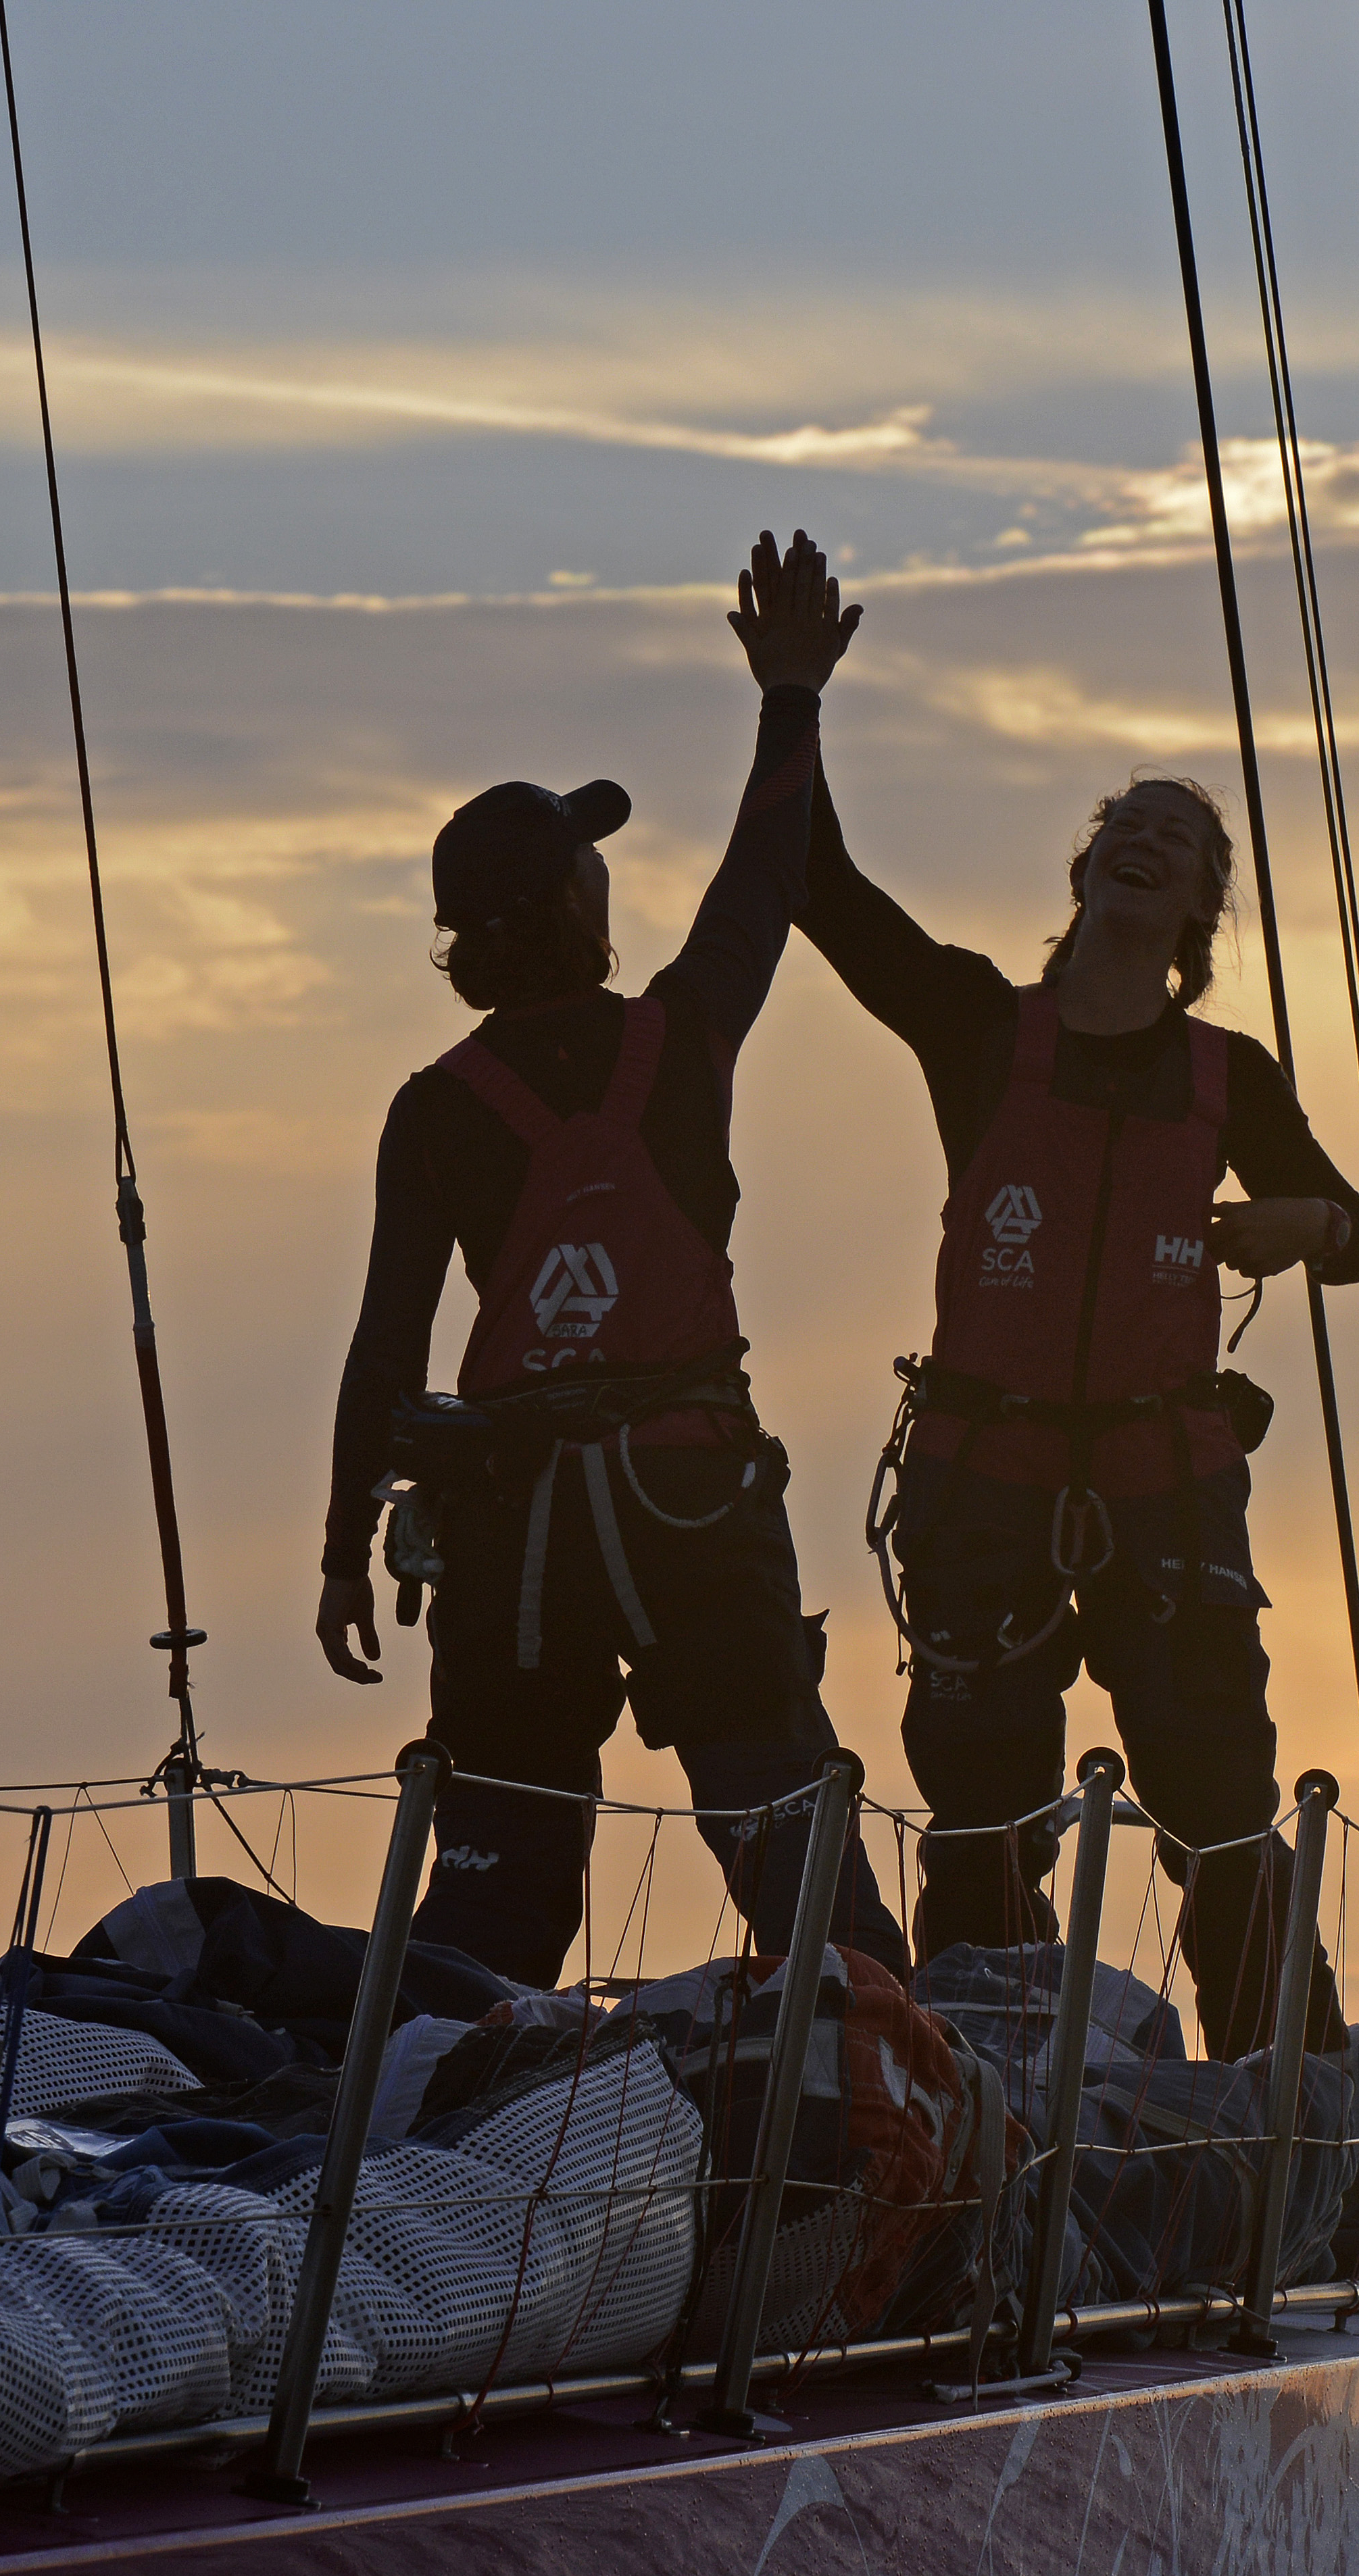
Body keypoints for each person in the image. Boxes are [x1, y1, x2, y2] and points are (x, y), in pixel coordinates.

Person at [314, 530, 904, 1990]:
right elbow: (766, 872)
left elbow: (387, 1350)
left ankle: (424, 2140)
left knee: (501, 1894)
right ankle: (912, 2111)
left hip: (512, 1530)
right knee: (793, 1851)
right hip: (689, 1499)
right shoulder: (683, 1037)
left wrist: (341, 1543)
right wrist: (790, 692)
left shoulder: (436, 1107)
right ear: (579, 902)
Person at [798, 763, 1359, 2058]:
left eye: (1180, 838)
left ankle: (1292, 2108)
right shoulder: (979, 1026)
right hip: (984, 1480)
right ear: (1088, 862)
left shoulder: (1234, 1076)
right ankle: (971, 2108)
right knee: (983, 1816)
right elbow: (826, 894)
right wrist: (793, 701)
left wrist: (1314, 1221)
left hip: (1164, 1482)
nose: (1150, 841)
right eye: (1131, 823)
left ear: (1199, 911)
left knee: (1219, 1804)